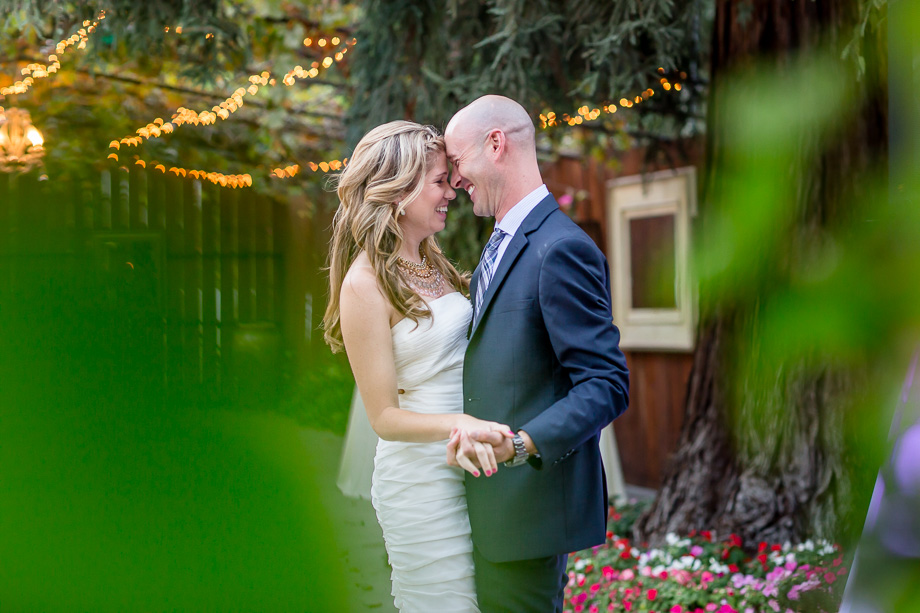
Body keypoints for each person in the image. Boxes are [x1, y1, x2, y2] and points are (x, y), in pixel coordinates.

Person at [444, 95, 630, 613]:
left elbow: (606, 383)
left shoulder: (561, 247)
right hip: (486, 511)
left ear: (495, 144)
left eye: (457, 163)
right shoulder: (503, 239)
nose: (455, 181)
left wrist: (522, 445)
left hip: (525, 514)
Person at [322, 120, 513, 612]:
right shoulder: (363, 284)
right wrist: (463, 422)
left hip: (466, 462)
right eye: (439, 181)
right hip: (421, 482)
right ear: (399, 190)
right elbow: (383, 418)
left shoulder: (434, 265)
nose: (451, 191)